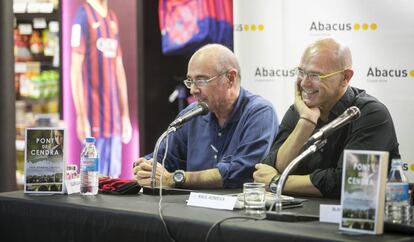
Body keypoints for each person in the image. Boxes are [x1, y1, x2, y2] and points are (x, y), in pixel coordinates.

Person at [254, 38, 399, 198]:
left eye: (315, 75)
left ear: (345, 78)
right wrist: (306, 123)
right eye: (301, 72)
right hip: (301, 217)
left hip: (356, 220)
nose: (304, 83)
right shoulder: (300, 111)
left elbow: (349, 182)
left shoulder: (370, 113)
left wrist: (278, 182)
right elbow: (268, 168)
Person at [133, 44, 279, 189]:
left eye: (201, 80)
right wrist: (145, 167)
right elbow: (165, 158)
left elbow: (241, 172)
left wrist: (174, 178)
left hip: (240, 210)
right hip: (191, 210)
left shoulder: (260, 113)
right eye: (190, 81)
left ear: (230, 78)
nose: (193, 90)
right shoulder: (191, 114)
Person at [70, 0, 132, 177]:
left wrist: (125, 114)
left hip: (115, 122)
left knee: (114, 179)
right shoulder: (83, 16)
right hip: (94, 118)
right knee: (94, 181)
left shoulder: (112, 17)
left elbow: (119, 68)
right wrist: (81, 117)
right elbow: (74, 69)